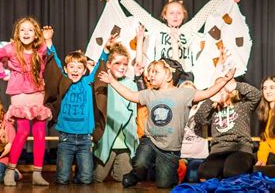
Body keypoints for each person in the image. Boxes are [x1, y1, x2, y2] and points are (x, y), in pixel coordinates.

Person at [99, 58, 236, 188]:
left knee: (164, 184)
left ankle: (172, 178)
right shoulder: (149, 93)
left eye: (155, 72)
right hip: (151, 140)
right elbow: (130, 95)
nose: (151, 75)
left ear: (169, 76)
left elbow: (207, 93)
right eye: (150, 72)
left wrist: (224, 80)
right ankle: (137, 174)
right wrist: (112, 81)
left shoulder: (184, 93)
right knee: (140, 161)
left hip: (170, 149)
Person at [99, 0, 241, 72]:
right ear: (165, 16)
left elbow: (205, 11)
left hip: (183, 76)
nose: (175, 16)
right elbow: (138, 11)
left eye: (179, 13)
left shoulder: (189, 28)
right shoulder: (157, 27)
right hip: (160, 74)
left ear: (184, 16)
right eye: (171, 13)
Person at [43, 31, 113, 185]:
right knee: (61, 179)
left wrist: (106, 51)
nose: (75, 70)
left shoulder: (88, 82)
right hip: (66, 139)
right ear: (66, 69)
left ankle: (78, 177)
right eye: (71, 67)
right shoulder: (63, 81)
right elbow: (55, 63)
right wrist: (49, 42)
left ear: (84, 70)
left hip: (84, 140)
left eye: (79, 67)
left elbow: (98, 68)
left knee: (87, 179)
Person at [0, 16, 53, 186]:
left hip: (38, 93)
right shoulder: (11, 49)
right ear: (17, 33)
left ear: (36, 34)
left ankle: (37, 173)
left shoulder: (40, 48)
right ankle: (10, 171)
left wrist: (48, 39)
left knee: (40, 134)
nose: (26, 33)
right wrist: (1, 75)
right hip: (19, 94)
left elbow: (51, 54)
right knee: (23, 131)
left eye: (30, 30)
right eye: (22, 30)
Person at [194, 75, 261, 180]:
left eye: (224, 86)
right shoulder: (213, 109)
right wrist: (210, 100)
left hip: (240, 148)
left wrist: (236, 85)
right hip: (218, 150)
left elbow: (257, 95)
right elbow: (199, 119)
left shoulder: (243, 105)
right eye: (218, 88)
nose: (221, 90)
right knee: (205, 174)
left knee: (232, 173)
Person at [93, 42, 139, 183]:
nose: (122, 67)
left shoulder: (131, 84)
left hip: (124, 142)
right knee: (98, 178)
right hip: (107, 139)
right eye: (117, 63)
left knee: (122, 179)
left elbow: (133, 113)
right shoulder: (102, 81)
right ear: (108, 64)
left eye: (125, 64)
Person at [178, 80, 209, 183]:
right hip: (181, 156)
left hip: (198, 156)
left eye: (191, 93)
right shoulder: (176, 112)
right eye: (184, 92)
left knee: (192, 177)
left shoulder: (202, 109)